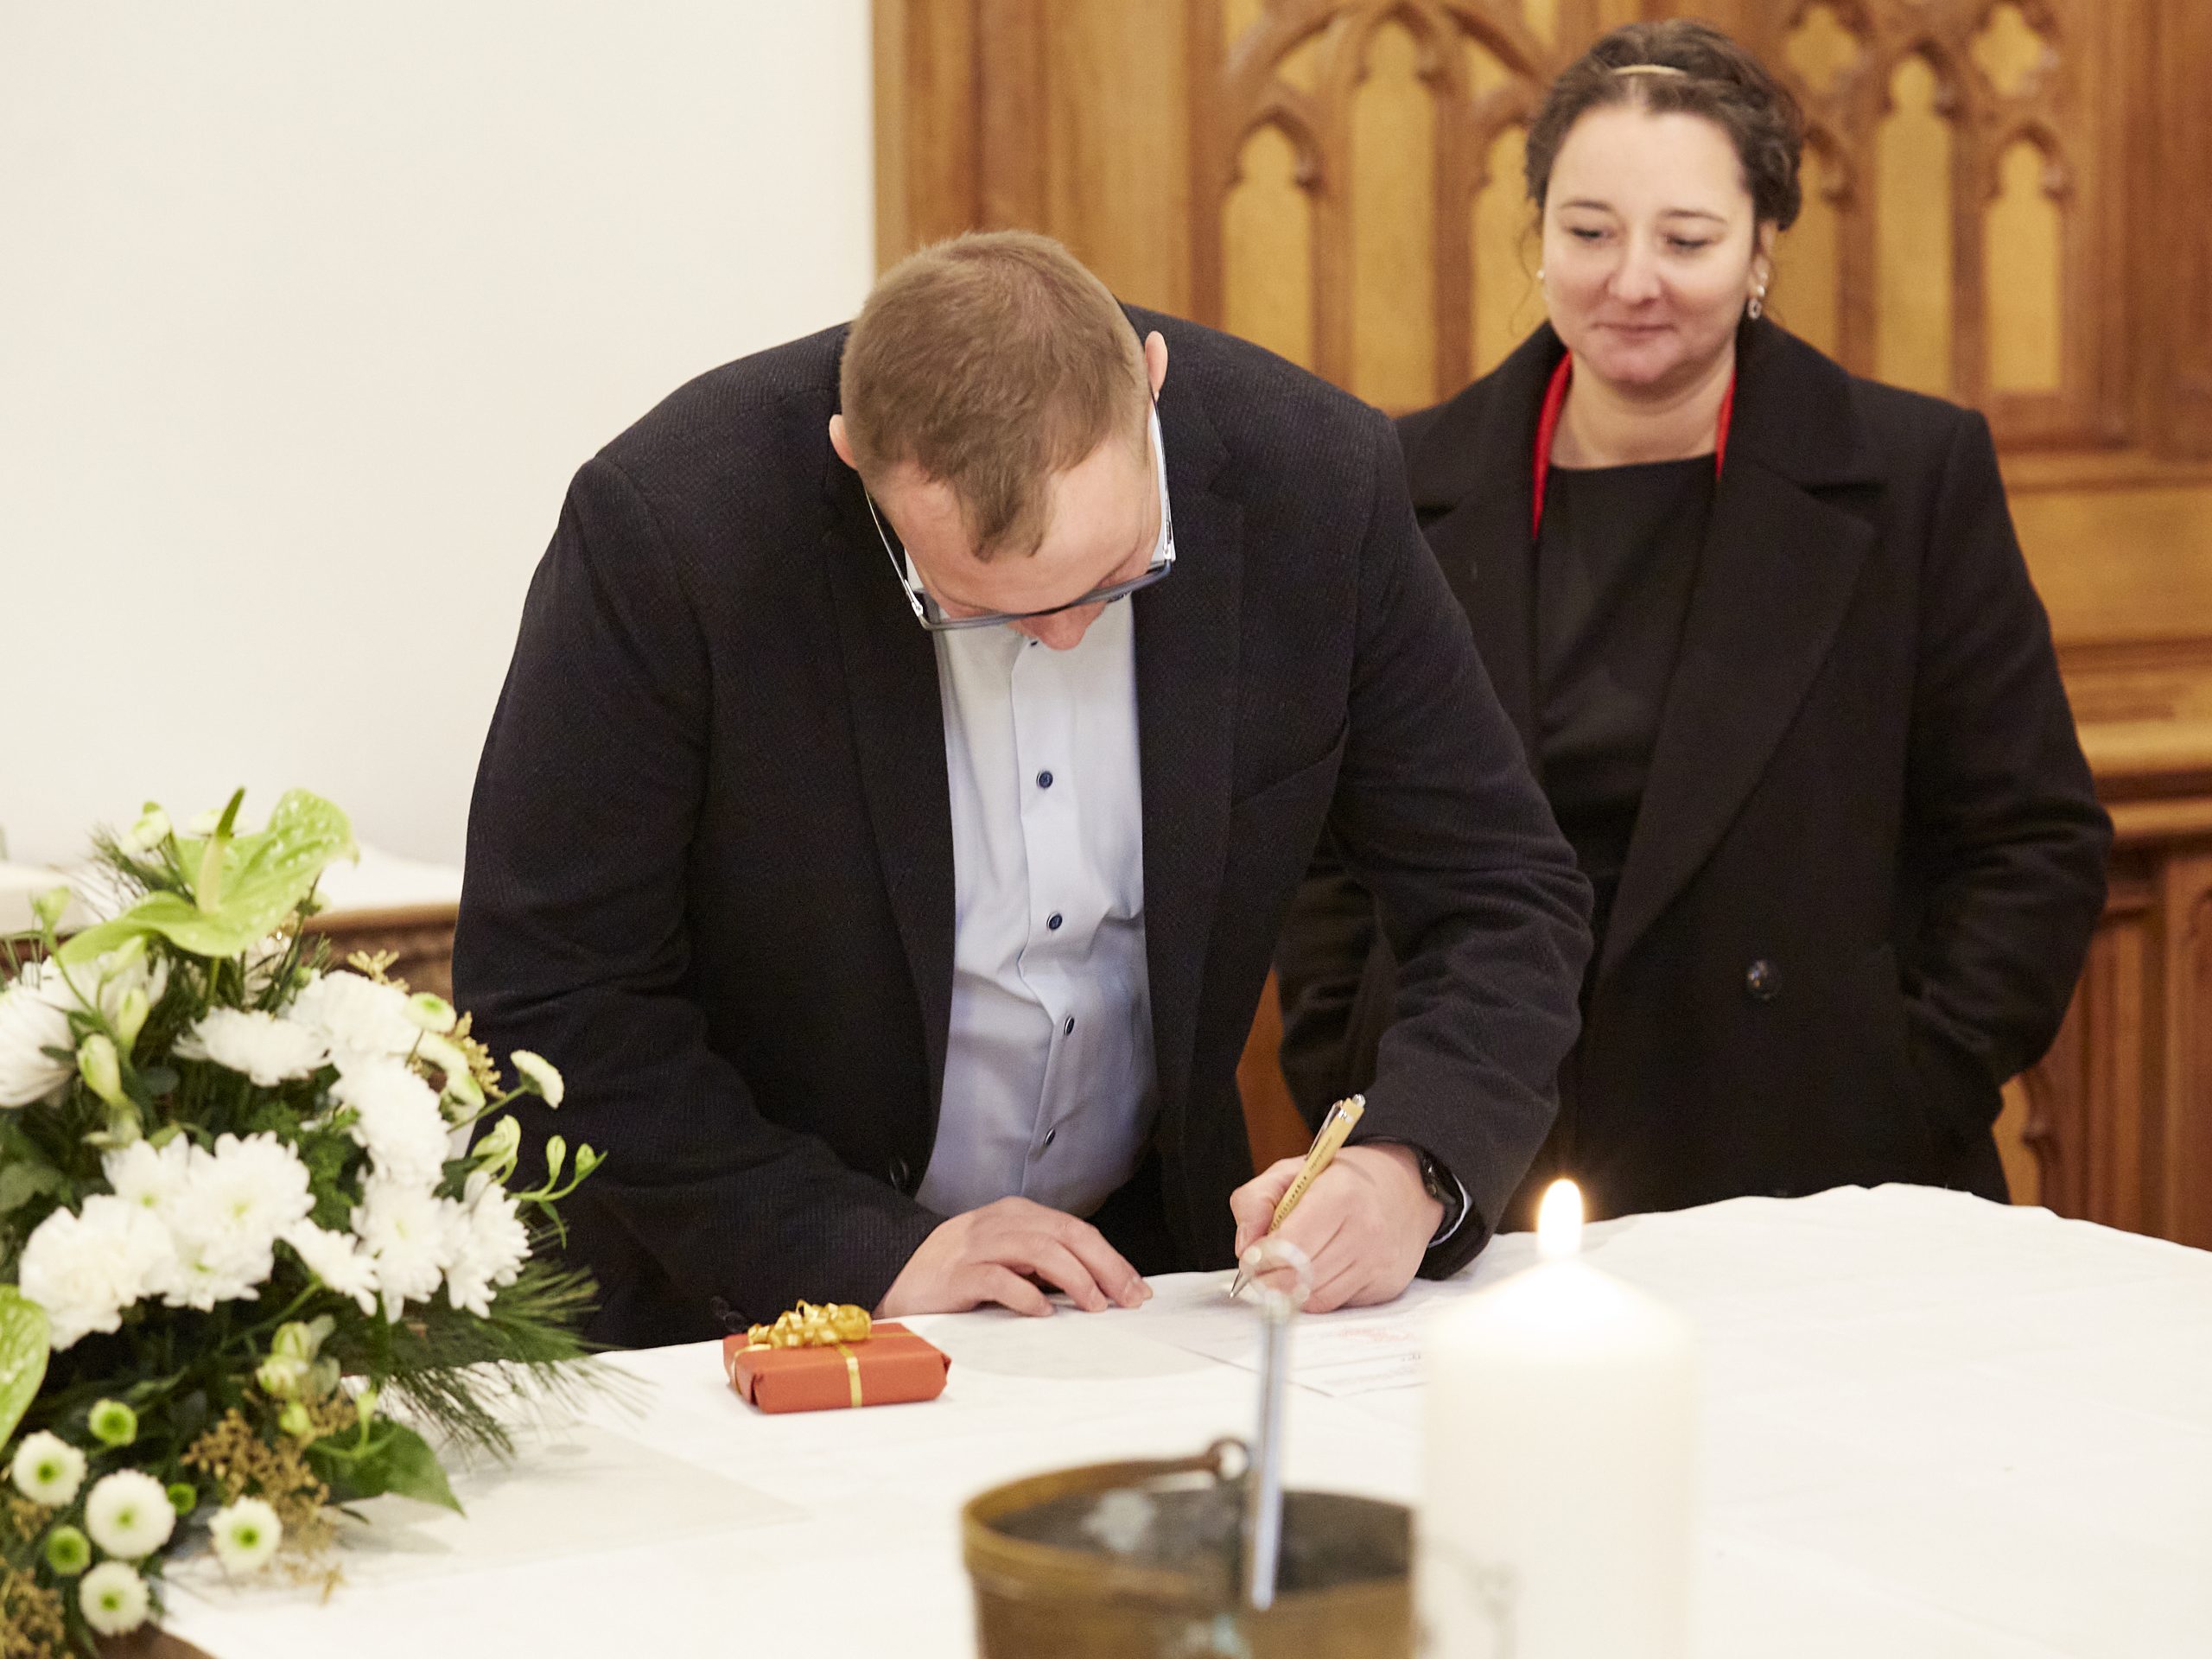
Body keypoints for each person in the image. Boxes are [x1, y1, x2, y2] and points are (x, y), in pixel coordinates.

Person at [453, 231, 1591, 1346]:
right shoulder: (674, 529)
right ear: (855, 460)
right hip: (738, 1301)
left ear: (1150, 384)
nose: (1061, 635)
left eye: (1119, 573)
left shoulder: (1314, 481)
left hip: (1143, 1292)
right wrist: (864, 1250)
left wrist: (1412, 1165)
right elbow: (555, 988)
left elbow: (1501, 892)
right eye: (976, 606)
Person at [1278, 21, 2111, 1230]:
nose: (1632, 281)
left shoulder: (1913, 474)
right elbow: (1329, 844)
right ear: (1536, 232)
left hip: (1819, 1172)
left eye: (1686, 240)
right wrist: (1360, 1069)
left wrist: (1906, 1079)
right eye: (1589, 232)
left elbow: (2034, 839)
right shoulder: (1402, 482)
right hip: (1478, 1161)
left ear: (1763, 247)